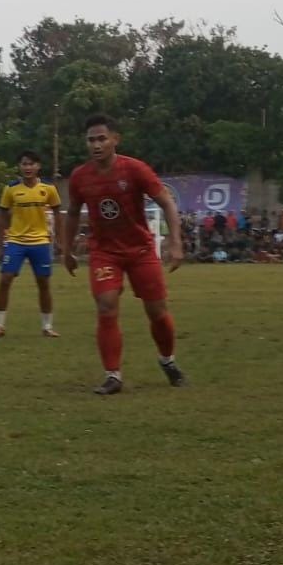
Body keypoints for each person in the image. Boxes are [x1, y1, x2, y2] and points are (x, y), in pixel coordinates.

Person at [62, 114, 187, 395]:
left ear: (115, 140)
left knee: (156, 311)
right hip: (104, 252)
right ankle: (113, 375)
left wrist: (175, 241)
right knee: (106, 306)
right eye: (91, 140)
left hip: (140, 250)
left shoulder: (135, 169)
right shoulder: (80, 177)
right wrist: (66, 250)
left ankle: (167, 361)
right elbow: (71, 214)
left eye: (101, 138)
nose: (96, 145)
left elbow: (166, 201)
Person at [0, 150, 62, 340]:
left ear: (38, 166)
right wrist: (0, 243)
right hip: (16, 241)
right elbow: (2, 215)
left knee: (43, 283)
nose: (27, 167)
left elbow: (57, 213)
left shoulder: (48, 188)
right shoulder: (11, 188)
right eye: (24, 164)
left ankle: (47, 327)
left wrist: (60, 240)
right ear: (19, 167)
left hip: (40, 242)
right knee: (5, 279)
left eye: (31, 164)